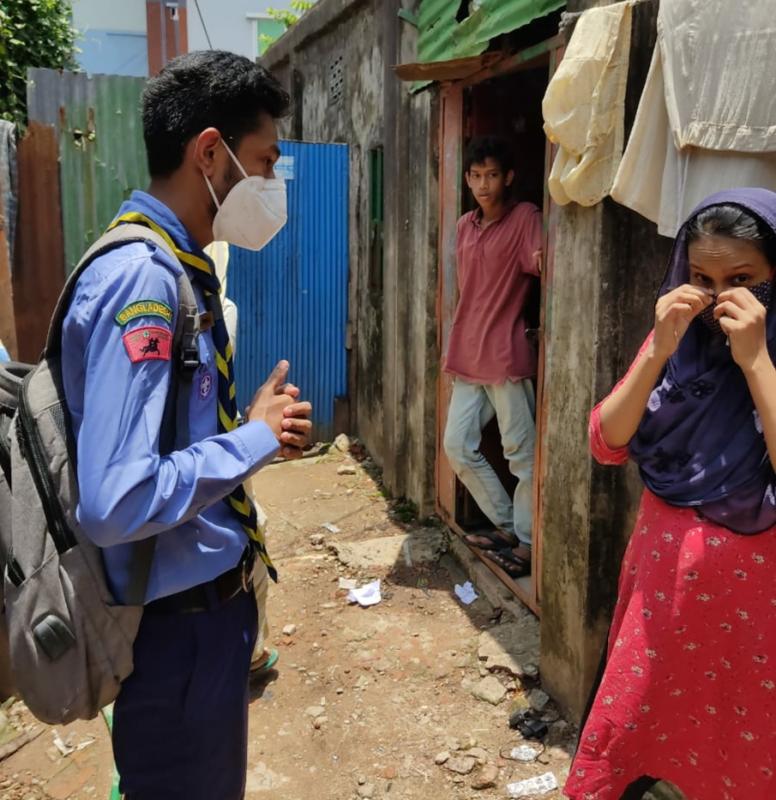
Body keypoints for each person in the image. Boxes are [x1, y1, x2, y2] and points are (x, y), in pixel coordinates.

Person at [60, 51, 312, 800]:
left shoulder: (176, 264)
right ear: (210, 152)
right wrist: (253, 438)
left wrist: (248, 435)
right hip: (175, 635)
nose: (271, 186)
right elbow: (115, 500)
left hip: (201, 626)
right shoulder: (143, 278)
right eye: (264, 163)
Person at [565, 188, 776, 800]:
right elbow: (607, 439)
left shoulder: (768, 352)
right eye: (702, 277)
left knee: (737, 755)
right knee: (632, 738)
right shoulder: (677, 344)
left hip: (751, 619)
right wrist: (659, 347)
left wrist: (756, 360)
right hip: (659, 602)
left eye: (743, 278)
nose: (718, 297)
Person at [443, 135, 543, 578]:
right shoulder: (465, 225)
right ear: (467, 179)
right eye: (476, 176)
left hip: (505, 354)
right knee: (457, 448)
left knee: (522, 456)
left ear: (509, 178)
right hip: (468, 354)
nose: (484, 185)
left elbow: (543, 264)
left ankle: (527, 543)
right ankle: (506, 525)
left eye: (492, 175)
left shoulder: (525, 218)